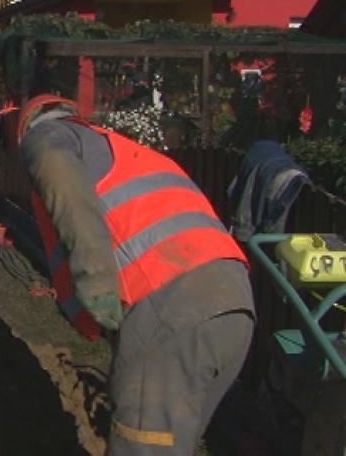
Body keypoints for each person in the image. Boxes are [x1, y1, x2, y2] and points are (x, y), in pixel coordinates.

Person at [14, 94, 255, 455]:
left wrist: (94, 278)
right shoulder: (129, 153)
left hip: (172, 309)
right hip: (233, 304)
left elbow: (53, 164)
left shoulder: (47, 133)